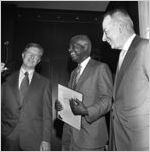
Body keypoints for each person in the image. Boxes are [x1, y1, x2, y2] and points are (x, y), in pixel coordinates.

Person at [102, 9, 150, 151]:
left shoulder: (145, 47)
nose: (103, 38)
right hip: (121, 140)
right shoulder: (123, 55)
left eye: (106, 31)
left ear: (120, 27)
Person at [55, 35, 113, 150]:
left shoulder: (100, 68)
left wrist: (87, 111)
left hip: (89, 139)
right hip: (69, 136)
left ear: (85, 48)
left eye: (73, 47)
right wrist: (61, 105)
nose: (69, 50)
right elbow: (72, 98)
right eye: (69, 47)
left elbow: (107, 100)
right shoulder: (73, 72)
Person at [1, 43, 52, 151]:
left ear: (38, 61)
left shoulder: (45, 83)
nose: (32, 57)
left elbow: (47, 114)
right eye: (30, 53)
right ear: (23, 55)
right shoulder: (5, 78)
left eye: (36, 56)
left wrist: (46, 140)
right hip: (9, 136)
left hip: (34, 138)